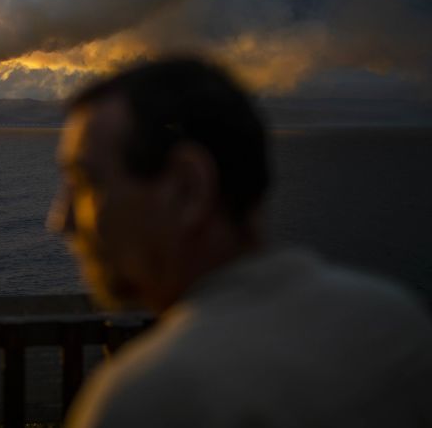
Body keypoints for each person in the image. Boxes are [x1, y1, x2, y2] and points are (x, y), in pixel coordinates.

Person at [50, 57, 432, 427]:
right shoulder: (397, 322)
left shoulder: (146, 399)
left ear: (188, 190)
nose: (60, 221)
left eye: (86, 184)